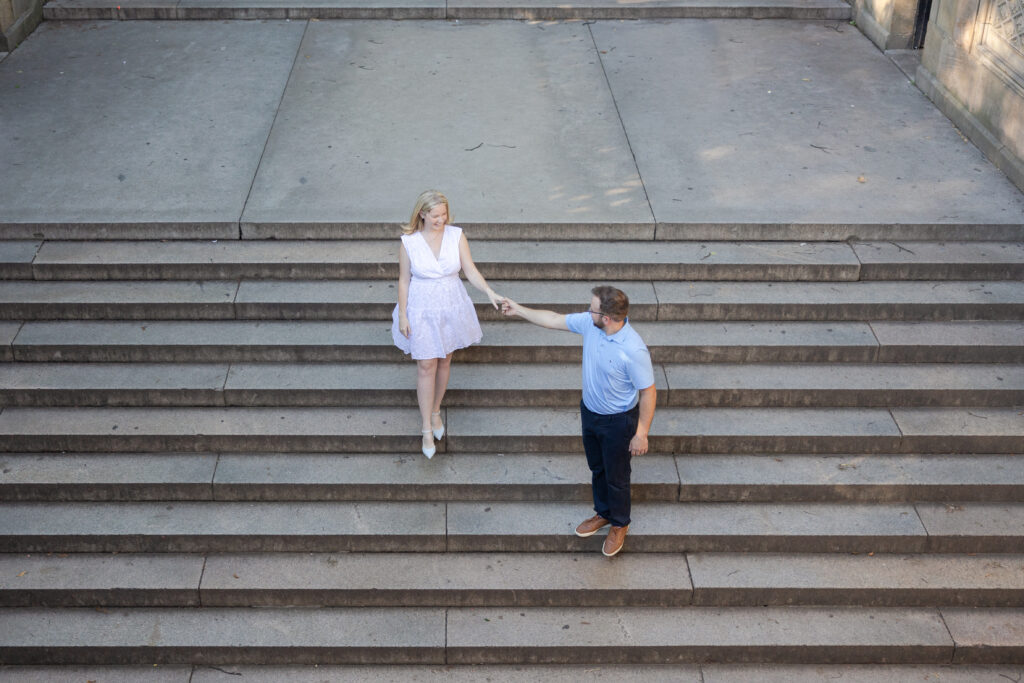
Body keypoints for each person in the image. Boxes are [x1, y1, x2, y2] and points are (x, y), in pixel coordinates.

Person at [501, 286, 656, 557]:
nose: (587, 311)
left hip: (618, 422)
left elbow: (648, 391)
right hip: (590, 412)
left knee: (617, 476)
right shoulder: (590, 324)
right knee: (597, 468)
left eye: (592, 307)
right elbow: (553, 319)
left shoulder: (634, 349)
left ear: (606, 317)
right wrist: (518, 309)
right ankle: (603, 513)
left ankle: (620, 523)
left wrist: (641, 432)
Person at [392, 190, 503, 459]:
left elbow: (470, 270)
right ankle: (426, 427)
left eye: (444, 214)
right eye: (435, 215)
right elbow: (404, 280)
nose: (441, 220)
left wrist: (489, 292)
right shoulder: (409, 242)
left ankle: (435, 410)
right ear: (422, 214)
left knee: (444, 361)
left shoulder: (456, 235)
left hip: (451, 304)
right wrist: (404, 315)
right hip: (421, 307)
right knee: (425, 364)